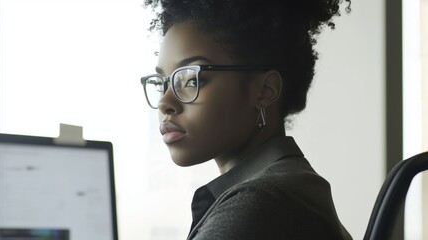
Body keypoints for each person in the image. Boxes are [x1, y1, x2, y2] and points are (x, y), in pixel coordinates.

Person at [140, 0, 353, 239]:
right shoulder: (289, 187)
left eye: (191, 80)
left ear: (265, 90)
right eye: (163, 82)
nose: (164, 102)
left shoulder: (262, 203)